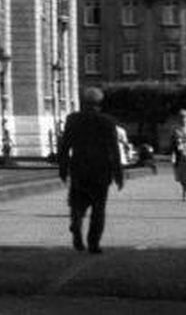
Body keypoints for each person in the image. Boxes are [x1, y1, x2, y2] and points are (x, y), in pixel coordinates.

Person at [57, 87, 125, 254]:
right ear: (100, 102)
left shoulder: (73, 119)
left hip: (79, 167)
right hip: (101, 169)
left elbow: (65, 145)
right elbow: (114, 149)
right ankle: (93, 243)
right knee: (98, 208)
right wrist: (118, 174)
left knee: (77, 202)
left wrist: (63, 168)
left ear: (83, 101)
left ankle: (77, 223)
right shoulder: (107, 121)